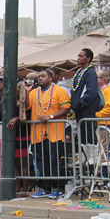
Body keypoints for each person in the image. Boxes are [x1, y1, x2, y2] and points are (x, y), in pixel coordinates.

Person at [26, 70, 71, 199]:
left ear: (51, 78)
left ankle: (58, 188)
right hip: (38, 134)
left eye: (43, 76)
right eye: (39, 76)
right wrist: (26, 89)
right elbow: (26, 106)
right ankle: (44, 188)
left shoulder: (59, 90)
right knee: (40, 162)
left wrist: (50, 116)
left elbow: (66, 108)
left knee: (55, 161)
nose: (40, 78)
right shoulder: (34, 92)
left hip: (55, 133)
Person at [71, 48, 99, 144]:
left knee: (89, 134)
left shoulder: (90, 72)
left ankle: (92, 157)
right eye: (78, 56)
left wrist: (81, 103)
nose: (78, 58)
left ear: (88, 58)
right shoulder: (79, 72)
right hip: (79, 109)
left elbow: (91, 92)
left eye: (81, 56)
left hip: (87, 109)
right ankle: (84, 157)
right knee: (82, 135)